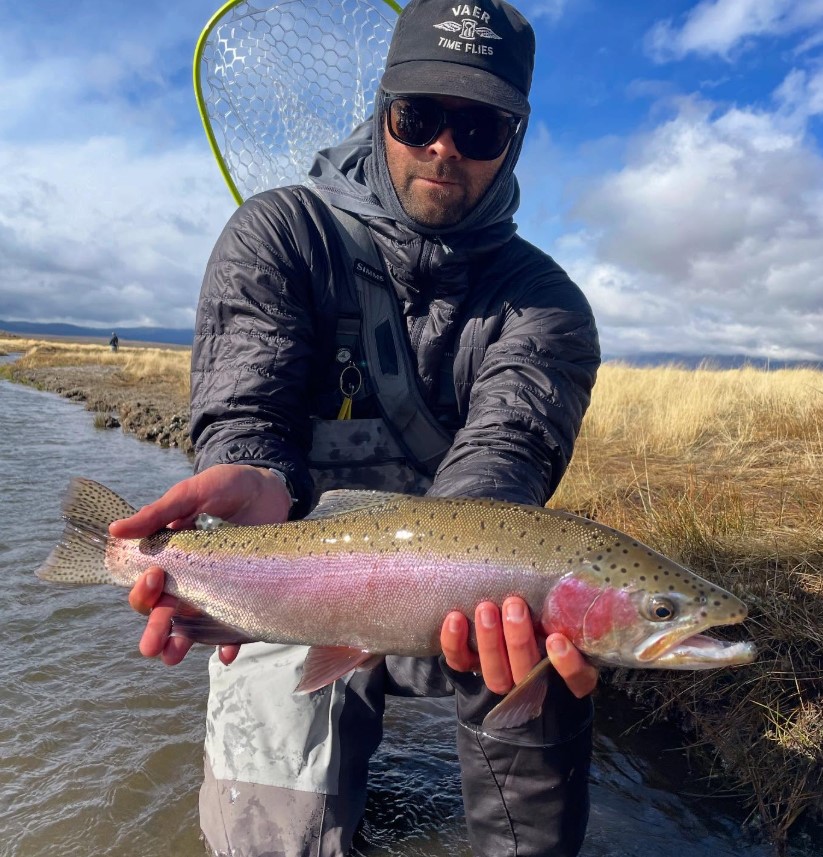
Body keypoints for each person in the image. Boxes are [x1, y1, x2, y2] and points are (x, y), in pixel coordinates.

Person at [113, 0, 601, 854]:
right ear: (381, 112)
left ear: (513, 140)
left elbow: (504, 457)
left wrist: (452, 578)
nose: (444, 147)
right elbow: (247, 413)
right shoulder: (279, 234)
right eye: (418, 117)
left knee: (541, 652)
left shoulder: (546, 305)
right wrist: (253, 473)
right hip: (296, 583)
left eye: (479, 128)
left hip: (459, 594)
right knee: (272, 832)